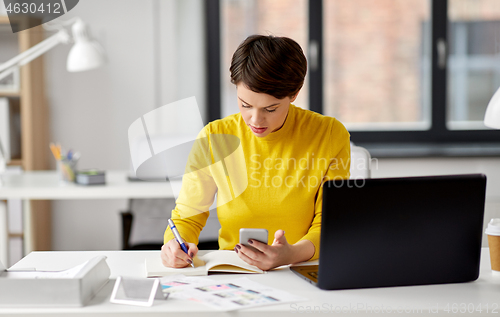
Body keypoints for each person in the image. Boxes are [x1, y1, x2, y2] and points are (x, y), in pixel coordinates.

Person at [161, 34, 350, 270]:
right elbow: (188, 215)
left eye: (270, 109)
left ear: (295, 93)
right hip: (233, 270)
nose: (255, 120)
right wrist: (174, 245)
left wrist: (291, 254)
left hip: (304, 268)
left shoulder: (329, 134)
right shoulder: (215, 137)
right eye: (245, 105)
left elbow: (331, 222)